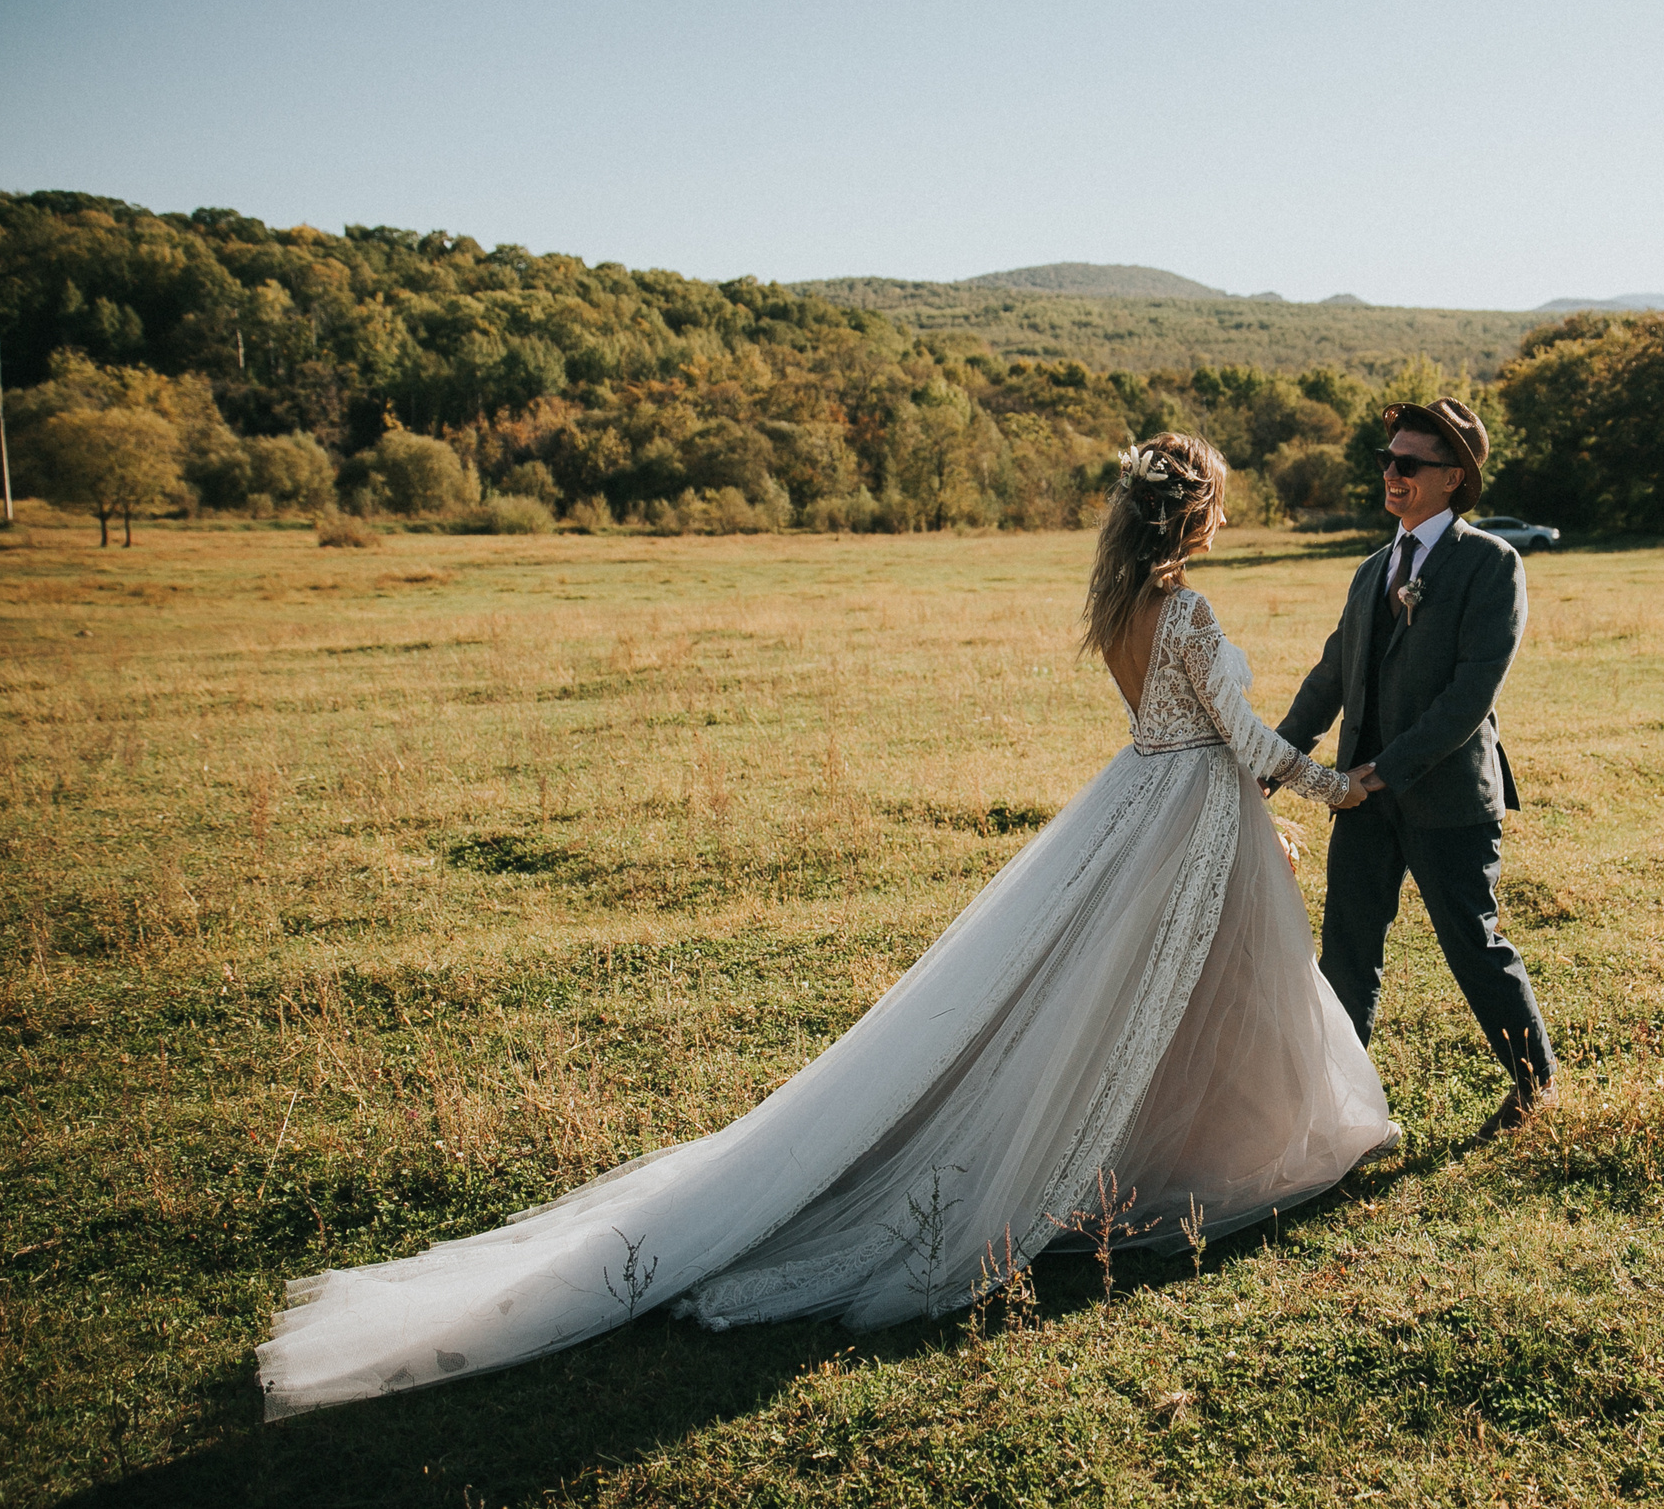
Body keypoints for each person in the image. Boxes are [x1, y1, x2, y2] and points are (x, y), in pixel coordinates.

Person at [257, 433, 1393, 1421]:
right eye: (1223, 498)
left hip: (1145, 807)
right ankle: (1203, 1156)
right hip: (1187, 817)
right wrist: (1336, 789)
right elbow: (1236, 737)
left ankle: (1176, 1147)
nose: (1230, 512)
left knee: (1142, 997)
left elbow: (1166, 730)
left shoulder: (1120, 610)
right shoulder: (1186, 607)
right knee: (1185, 997)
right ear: (1193, 511)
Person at [1273, 396, 1560, 1139]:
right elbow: (1332, 674)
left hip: (1448, 799)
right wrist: (1275, 755)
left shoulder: (1493, 564)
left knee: (1473, 942)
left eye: (1409, 463)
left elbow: (1470, 696)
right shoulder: (1373, 569)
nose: (1391, 474)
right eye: (1387, 460)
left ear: (1452, 478)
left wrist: (1385, 771)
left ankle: (1537, 1085)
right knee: (1348, 947)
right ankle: (1336, 1107)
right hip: (1361, 800)